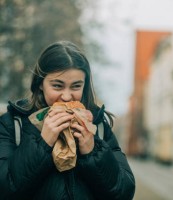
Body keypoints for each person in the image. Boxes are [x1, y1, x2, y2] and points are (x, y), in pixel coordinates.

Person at [0, 41, 135, 200]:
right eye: (57, 86)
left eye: (76, 86)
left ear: (84, 86)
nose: (66, 96)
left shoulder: (98, 126)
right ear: (41, 83)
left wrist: (93, 152)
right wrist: (42, 143)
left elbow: (124, 192)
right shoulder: (13, 124)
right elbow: (5, 191)